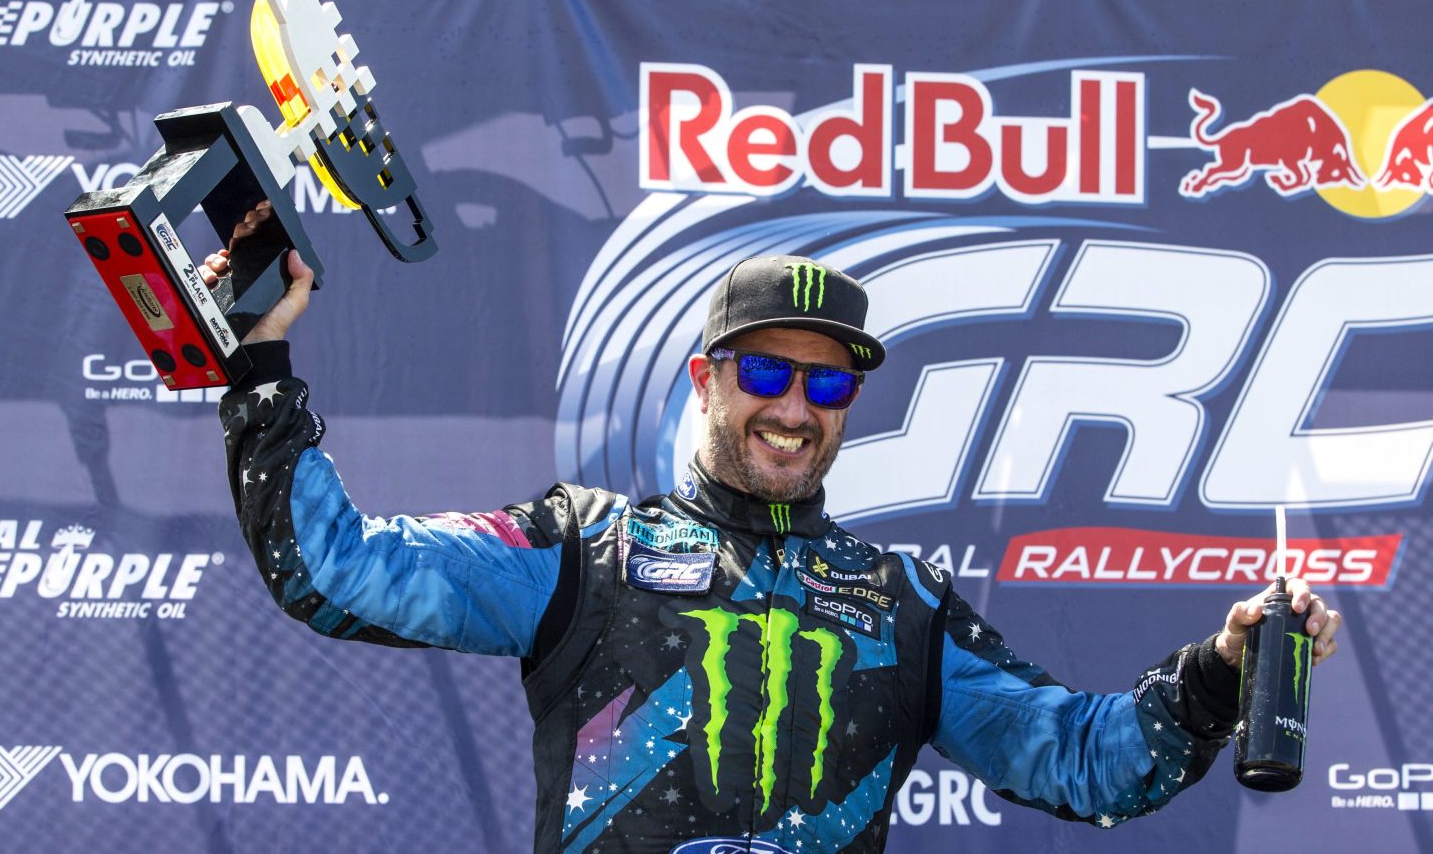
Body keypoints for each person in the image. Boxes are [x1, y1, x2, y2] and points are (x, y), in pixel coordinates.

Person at [207, 208, 1341, 854]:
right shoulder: (580, 549)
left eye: (828, 386)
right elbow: (336, 571)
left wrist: (1217, 676)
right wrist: (260, 362)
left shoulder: (905, 601)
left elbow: (1088, 764)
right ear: (705, 380)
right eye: (765, 371)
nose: (795, 409)